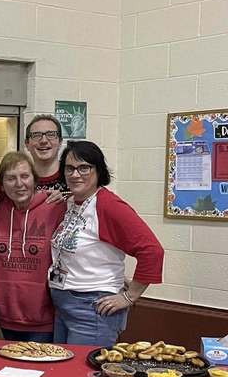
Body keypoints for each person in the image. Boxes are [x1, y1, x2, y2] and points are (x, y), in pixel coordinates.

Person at [49, 140, 164, 347]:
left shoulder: (108, 206)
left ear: (98, 170)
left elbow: (152, 251)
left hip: (91, 309)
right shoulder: (72, 203)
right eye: (69, 168)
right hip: (64, 304)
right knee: (63, 374)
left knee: (81, 376)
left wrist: (130, 296)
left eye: (84, 167)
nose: (75, 174)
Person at [0, 151, 65, 341]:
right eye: (11, 178)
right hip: (6, 315)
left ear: (35, 180)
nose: (19, 184)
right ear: (1, 185)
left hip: (44, 318)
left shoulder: (55, 208)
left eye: (25, 176)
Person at [24, 114, 69, 195]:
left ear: (60, 142)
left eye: (51, 134)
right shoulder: (20, 182)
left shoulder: (74, 179)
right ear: (27, 144)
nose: (44, 141)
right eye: (36, 135)